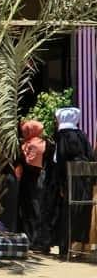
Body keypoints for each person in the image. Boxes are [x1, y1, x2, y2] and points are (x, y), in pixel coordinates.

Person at [45, 107, 95, 257]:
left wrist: (59, 183)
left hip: (69, 180)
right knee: (82, 211)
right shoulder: (82, 135)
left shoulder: (62, 136)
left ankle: (65, 248)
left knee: (67, 213)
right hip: (84, 180)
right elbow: (91, 156)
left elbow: (60, 160)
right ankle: (81, 247)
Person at [17, 120, 54, 251]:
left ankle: (33, 240)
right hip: (42, 179)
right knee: (40, 209)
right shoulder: (45, 143)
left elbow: (28, 164)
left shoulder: (28, 145)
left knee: (31, 210)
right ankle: (42, 242)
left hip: (31, 181)